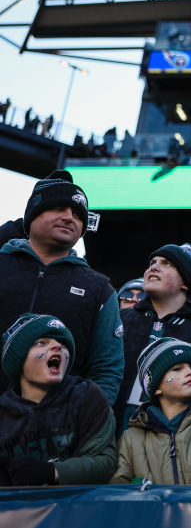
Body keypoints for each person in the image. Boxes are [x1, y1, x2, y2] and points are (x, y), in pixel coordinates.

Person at [0, 170, 122, 404]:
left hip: (51, 434)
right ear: (33, 214)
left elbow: (106, 369)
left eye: (78, 215)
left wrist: (88, 425)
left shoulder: (100, 290)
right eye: (59, 208)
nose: (69, 218)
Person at [114, 244, 191, 432]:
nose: (154, 267)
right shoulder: (118, 321)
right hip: (111, 432)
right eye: (152, 262)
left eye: (166, 263)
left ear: (186, 282)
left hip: (175, 442)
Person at [0, 314, 116, 485]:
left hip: (76, 508)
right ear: (18, 359)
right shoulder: (3, 412)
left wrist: (54, 472)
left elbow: (105, 462)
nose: (57, 346)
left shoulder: (87, 397)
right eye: (41, 343)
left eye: (62, 344)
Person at [111, 338, 191, 485]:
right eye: (177, 369)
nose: (190, 372)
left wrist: (186, 506)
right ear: (155, 387)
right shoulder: (131, 437)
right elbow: (119, 485)